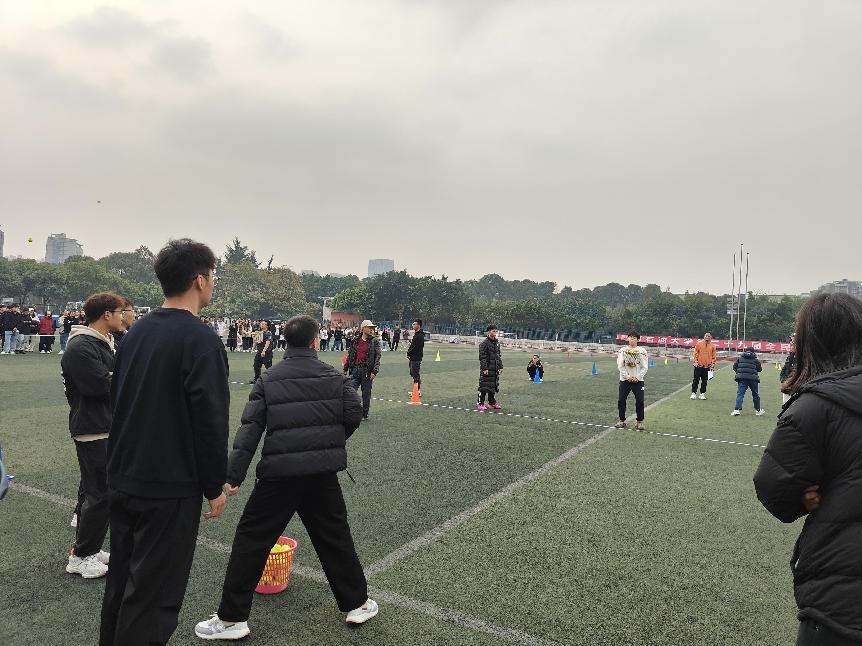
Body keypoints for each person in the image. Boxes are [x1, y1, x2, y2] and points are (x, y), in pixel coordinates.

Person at [194, 315, 377, 640]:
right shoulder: (334, 377)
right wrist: (327, 443)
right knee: (334, 537)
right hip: (320, 474)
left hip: (279, 476)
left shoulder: (269, 378)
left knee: (252, 540)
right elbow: (352, 415)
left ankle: (232, 619)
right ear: (315, 341)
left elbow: (250, 429)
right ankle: (358, 604)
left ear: (286, 342)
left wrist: (233, 475)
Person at [100, 239, 230, 646]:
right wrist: (214, 485)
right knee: (153, 597)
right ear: (199, 280)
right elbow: (210, 423)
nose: (213, 284)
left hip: (124, 476)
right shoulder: (201, 340)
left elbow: (118, 401)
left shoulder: (136, 332)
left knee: (121, 585)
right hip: (168, 488)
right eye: (212, 277)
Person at [754, 293, 862, 645]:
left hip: (842, 595)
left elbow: (776, 493)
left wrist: (807, 495)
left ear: (810, 342)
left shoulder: (815, 405)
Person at [61, 292, 126, 579]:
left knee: (103, 493)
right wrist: (121, 377)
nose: (123, 317)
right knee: (98, 494)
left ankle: (90, 548)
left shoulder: (103, 342)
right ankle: (81, 556)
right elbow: (100, 386)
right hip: (92, 428)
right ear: (106, 315)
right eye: (120, 312)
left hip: (105, 425)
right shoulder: (80, 346)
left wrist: (116, 376)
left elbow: (113, 379)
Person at [343, 320, 381, 420]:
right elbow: (350, 354)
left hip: (367, 371)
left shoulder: (374, 341)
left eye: (372, 328)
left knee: (366, 394)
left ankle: (364, 414)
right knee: (350, 390)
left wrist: (375, 371)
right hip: (355, 369)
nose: (372, 329)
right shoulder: (356, 340)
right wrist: (346, 367)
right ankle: (350, 411)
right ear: (363, 328)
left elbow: (378, 356)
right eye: (369, 327)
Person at [615, 332, 648, 430]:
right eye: (630, 337)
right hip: (625, 380)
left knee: (640, 401)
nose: (632, 339)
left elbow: (645, 367)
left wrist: (637, 377)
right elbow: (620, 365)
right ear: (627, 339)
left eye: (634, 338)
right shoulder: (623, 350)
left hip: (638, 381)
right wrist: (627, 377)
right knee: (621, 400)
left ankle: (639, 422)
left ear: (638, 340)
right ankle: (622, 421)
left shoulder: (642, 351)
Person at [731, 346, 765, 416]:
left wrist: (740, 372)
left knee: (740, 394)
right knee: (755, 394)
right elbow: (760, 369)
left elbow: (734, 367)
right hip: (753, 378)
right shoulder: (755, 359)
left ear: (745, 351)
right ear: (753, 351)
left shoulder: (740, 358)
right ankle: (758, 410)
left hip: (742, 378)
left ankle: (736, 410)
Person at [477, 324, 504, 411]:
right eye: (493, 331)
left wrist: (500, 366)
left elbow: (498, 356)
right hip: (487, 368)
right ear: (489, 332)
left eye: (496, 331)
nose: (495, 332)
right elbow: (482, 357)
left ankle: (492, 403)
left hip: (495, 368)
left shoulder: (496, 343)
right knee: (484, 386)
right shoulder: (484, 344)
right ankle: (480, 403)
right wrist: (485, 368)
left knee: (493, 386)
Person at [690, 332, 717, 400]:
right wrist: (695, 362)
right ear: (704, 336)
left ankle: (702, 394)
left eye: (708, 336)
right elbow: (695, 353)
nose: (707, 337)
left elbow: (714, 357)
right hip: (698, 366)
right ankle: (693, 393)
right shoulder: (699, 344)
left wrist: (712, 365)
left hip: (707, 367)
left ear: (711, 337)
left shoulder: (713, 346)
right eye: (706, 336)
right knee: (696, 380)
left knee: (704, 381)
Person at [406, 319, 425, 395]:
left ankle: (417, 391)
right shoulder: (417, 334)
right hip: (413, 357)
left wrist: (409, 353)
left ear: (418, 325)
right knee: (413, 373)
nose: (413, 325)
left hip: (416, 358)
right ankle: (416, 390)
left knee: (415, 374)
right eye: (413, 324)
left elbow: (415, 348)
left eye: (414, 324)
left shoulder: (420, 336)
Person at [780, 334, 797, 405]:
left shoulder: (803, 358)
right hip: (787, 386)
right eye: (791, 345)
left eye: (793, 344)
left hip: (796, 387)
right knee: (785, 405)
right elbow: (783, 371)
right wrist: (783, 380)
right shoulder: (789, 357)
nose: (791, 346)